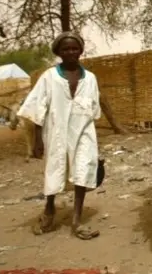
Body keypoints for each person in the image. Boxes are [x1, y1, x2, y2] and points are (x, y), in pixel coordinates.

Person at [18, 31, 102, 240]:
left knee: (82, 170)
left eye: (74, 48)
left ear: (81, 50)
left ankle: (76, 220)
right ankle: (49, 209)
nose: (71, 52)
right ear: (59, 52)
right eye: (66, 49)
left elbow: (94, 110)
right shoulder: (50, 77)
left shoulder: (90, 78)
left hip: (83, 133)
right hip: (55, 133)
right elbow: (38, 108)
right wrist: (37, 140)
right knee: (54, 170)